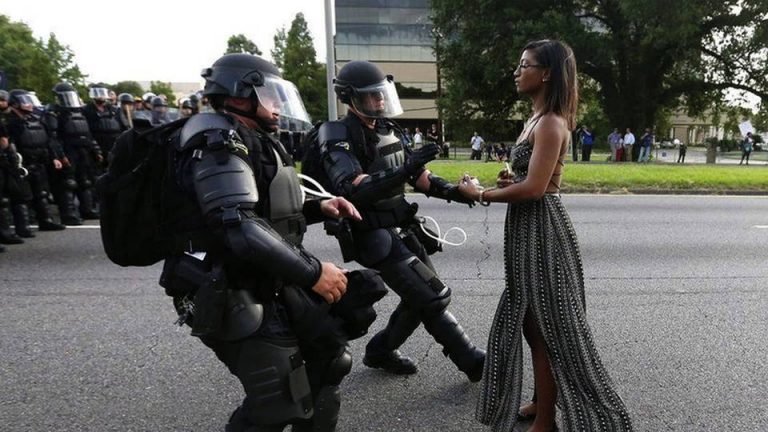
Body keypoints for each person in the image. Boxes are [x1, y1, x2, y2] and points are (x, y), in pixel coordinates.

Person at [162, 53, 364, 431]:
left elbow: (267, 208)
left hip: (267, 277)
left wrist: (322, 206)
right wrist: (313, 272)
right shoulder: (216, 140)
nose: (277, 104)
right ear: (240, 95)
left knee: (329, 358)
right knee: (278, 399)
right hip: (229, 286)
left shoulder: (252, 137)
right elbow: (237, 223)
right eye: (269, 94)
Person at [459, 39, 633, 432]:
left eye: (525, 65)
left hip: (543, 230)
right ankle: (543, 404)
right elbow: (526, 180)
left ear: (547, 73)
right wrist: (509, 180)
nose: (517, 72)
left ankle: (550, 419)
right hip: (525, 228)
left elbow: (537, 189)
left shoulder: (553, 122)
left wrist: (482, 193)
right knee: (531, 323)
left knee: (549, 326)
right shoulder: (533, 121)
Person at [318, 60, 485, 381]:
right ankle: (472, 361)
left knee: (420, 296)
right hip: (371, 233)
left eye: (382, 94)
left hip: (401, 226)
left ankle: (380, 350)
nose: (379, 101)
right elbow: (351, 188)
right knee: (431, 295)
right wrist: (405, 170)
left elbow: (420, 177)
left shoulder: (387, 130)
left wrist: (457, 192)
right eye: (371, 96)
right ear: (350, 98)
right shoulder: (336, 133)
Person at [5, 90, 66, 232]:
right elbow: (9, 143)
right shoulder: (9, 121)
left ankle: (46, 220)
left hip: (38, 162)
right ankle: (23, 227)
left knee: (41, 193)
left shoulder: (35, 119)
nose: (30, 104)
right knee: (21, 196)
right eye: (25, 101)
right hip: (21, 163)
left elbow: (48, 140)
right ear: (15, 103)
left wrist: (54, 157)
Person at [47, 82, 103, 221]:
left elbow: (88, 134)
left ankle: (87, 209)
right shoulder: (54, 113)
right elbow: (53, 137)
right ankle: (68, 214)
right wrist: (60, 155)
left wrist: (96, 150)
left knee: (85, 181)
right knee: (68, 183)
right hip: (68, 150)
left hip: (83, 150)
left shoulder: (79, 112)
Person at [83, 85, 122, 166]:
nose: (101, 96)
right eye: (98, 94)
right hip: (97, 146)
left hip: (114, 146)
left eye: (102, 93)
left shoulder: (113, 109)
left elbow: (122, 127)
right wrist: (95, 149)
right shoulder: (86, 110)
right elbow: (86, 131)